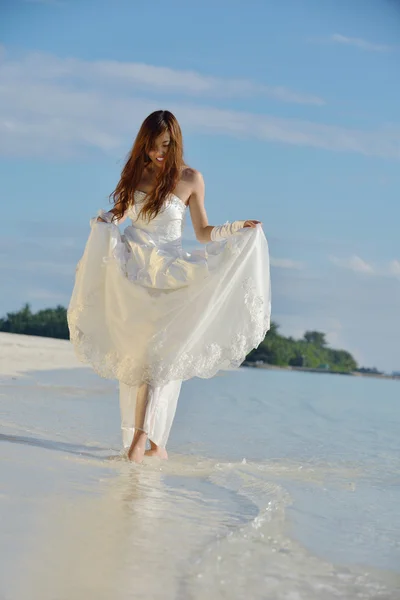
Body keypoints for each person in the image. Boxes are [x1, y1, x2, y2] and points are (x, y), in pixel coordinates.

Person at [67, 110, 271, 463]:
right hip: (134, 271)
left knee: (156, 360)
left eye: (163, 146)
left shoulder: (191, 178)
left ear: (175, 143)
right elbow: (123, 212)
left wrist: (235, 228)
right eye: (150, 148)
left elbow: (202, 232)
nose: (156, 154)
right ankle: (150, 446)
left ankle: (142, 446)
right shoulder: (137, 172)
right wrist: (107, 220)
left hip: (171, 275)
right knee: (141, 360)